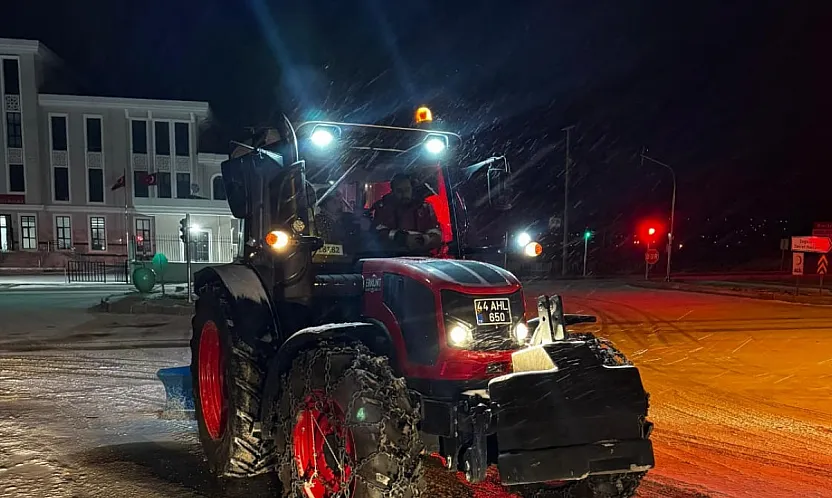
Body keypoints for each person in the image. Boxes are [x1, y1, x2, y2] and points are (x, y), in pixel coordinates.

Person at [372, 173, 443, 252]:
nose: (404, 194)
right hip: (391, 257)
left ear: (411, 188)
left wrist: (425, 239)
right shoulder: (384, 208)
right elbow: (378, 233)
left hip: (421, 257)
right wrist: (401, 238)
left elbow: (435, 231)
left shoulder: (423, 207)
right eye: (399, 191)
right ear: (393, 191)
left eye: (407, 189)